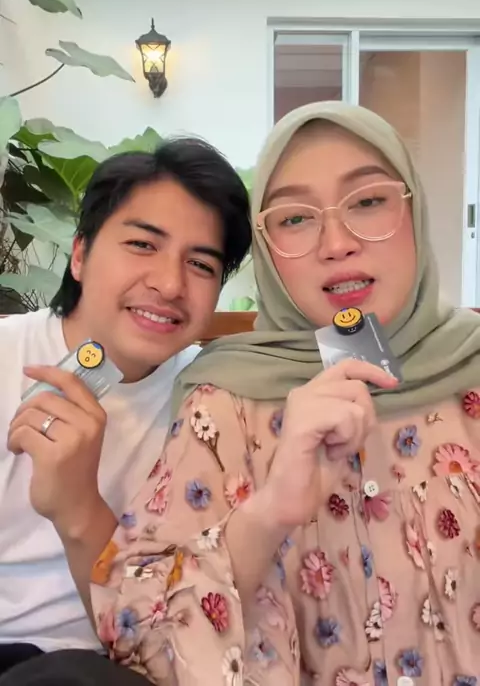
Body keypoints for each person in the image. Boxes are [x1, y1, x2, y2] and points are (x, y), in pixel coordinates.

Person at [7, 101, 480, 686]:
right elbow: (141, 636)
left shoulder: (195, 380)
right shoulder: (223, 399)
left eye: (368, 202)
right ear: (79, 254)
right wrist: (269, 510)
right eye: (295, 218)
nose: (337, 243)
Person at [0, 137, 251, 675]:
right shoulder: (7, 358)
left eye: (200, 264)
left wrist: (76, 507)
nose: (169, 283)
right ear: (80, 254)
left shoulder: (212, 401)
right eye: (142, 244)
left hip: (114, 660)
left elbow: (162, 631)